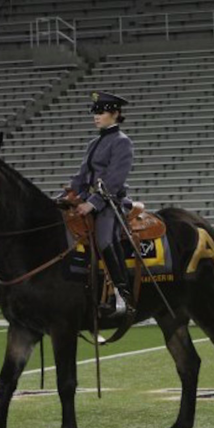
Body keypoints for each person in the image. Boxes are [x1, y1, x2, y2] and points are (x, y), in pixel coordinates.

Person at [68, 91, 134, 318]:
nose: (96, 116)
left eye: (101, 111)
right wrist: (66, 195)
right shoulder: (94, 143)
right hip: (89, 200)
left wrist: (92, 204)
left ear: (115, 114)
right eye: (94, 111)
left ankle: (123, 295)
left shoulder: (122, 142)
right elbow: (81, 176)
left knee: (104, 240)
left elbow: (114, 180)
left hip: (111, 203)